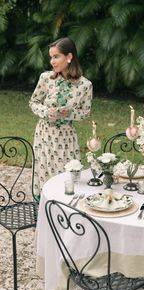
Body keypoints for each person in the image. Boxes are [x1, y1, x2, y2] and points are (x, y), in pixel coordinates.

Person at [29, 37, 93, 199]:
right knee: (42, 172)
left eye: (56, 56)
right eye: (51, 57)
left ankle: (65, 210)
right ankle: (41, 210)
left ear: (69, 57)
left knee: (67, 174)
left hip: (66, 137)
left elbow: (85, 112)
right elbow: (34, 102)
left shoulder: (85, 85)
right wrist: (45, 111)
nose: (52, 61)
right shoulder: (46, 78)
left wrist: (69, 114)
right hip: (44, 134)